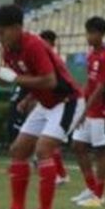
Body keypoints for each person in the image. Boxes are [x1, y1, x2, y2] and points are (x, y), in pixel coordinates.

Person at [0, 5, 84, 209]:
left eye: (3, 32)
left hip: (67, 101)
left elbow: (49, 81)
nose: (0, 38)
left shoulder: (34, 45)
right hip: (46, 104)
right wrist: (4, 82)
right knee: (18, 150)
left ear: (18, 28)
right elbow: (24, 79)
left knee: (43, 149)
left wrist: (15, 79)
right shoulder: (9, 50)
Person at [71, 17, 105, 206]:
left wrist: (84, 111)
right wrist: (81, 104)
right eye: (87, 32)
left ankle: (99, 196)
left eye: (92, 33)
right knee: (77, 145)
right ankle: (91, 188)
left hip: (104, 112)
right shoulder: (91, 56)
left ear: (101, 34)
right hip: (91, 111)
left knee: (101, 151)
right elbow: (90, 85)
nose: (88, 37)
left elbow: (100, 88)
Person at [38, 30, 71, 186]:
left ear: (52, 43)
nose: (42, 44)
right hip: (49, 104)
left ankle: (61, 174)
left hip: (61, 105)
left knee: (51, 144)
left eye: (45, 41)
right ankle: (60, 174)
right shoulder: (43, 59)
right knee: (49, 143)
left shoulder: (56, 60)